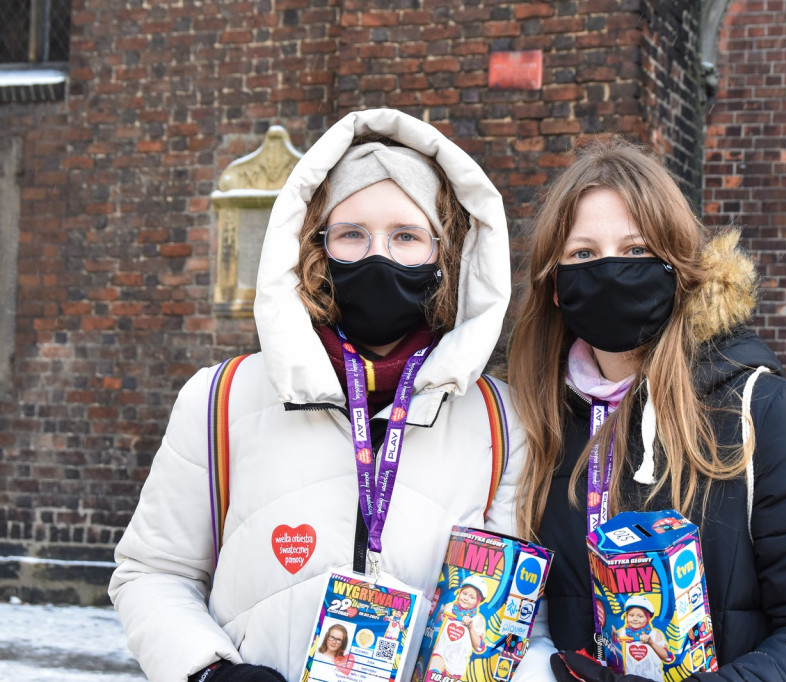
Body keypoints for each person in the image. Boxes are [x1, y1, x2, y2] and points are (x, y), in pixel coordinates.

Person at [108, 109, 529, 682]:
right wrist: (209, 672)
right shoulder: (219, 400)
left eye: (407, 236)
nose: (378, 255)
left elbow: (515, 617)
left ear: (445, 257)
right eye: (351, 234)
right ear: (314, 248)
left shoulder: (502, 421)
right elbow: (153, 573)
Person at [507, 137, 786, 681]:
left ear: (678, 267)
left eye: (636, 250)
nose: (609, 270)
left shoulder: (769, 415)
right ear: (556, 286)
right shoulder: (532, 425)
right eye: (583, 254)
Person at [427, 576, 489, 680]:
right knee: (433, 670)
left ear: (478, 601)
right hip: (440, 653)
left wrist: (470, 627)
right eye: (464, 593)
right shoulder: (449, 608)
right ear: (459, 593)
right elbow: (434, 624)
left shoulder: (478, 619)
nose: (466, 598)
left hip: (456, 665)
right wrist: (439, 614)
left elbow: (479, 647)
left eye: (471, 597)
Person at [614, 596, 671, 681]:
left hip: (653, 679)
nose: (635, 619)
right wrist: (614, 640)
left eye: (640, 616)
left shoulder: (655, 634)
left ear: (648, 618)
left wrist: (651, 643)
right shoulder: (621, 633)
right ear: (626, 616)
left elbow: (667, 657)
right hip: (629, 679)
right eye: (631, 615)